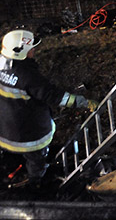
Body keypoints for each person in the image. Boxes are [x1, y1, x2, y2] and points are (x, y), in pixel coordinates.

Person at [0, 30, 98, 188]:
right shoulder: (28, 76)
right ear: (21, 53)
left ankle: (8, 169)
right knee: (36, 160)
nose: (34, 50)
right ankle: (35, 182)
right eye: (31, 49)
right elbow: (54, 96)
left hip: (4, 133)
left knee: (10, 156)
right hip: (28, 137)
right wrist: (83, 102)